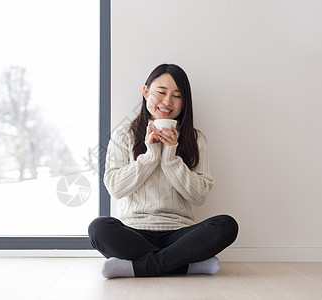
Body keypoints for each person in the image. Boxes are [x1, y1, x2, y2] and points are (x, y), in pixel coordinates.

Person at [88, 63, 238, 278]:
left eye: (177, 96)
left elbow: (199, 196)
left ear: (184, 102)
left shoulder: (195, 139)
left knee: (226, 225)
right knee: (99, 227)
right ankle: (186, 266)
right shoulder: (124, 135)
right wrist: (150, 156)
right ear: (146, 92)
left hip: (179, 233)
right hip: (133, 231)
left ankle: (136, 267)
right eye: (161, 92)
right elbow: (115, 188)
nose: (167, 101)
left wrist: (170, 157)